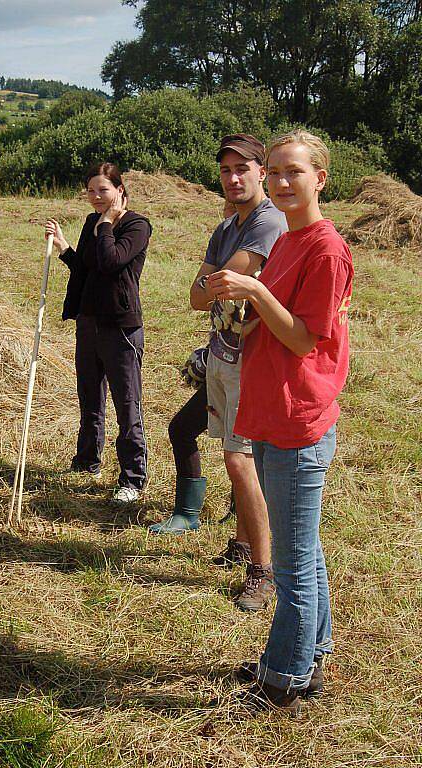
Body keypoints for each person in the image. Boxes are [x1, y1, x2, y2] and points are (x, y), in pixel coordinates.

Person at [208, 129, 354, 712]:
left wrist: (252, 290)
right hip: (270, 409)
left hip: (298, 418)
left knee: (292, 566)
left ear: (321, 178)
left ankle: (285, 680)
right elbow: (271, 322)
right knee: (306, 550)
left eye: (294, 171)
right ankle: (308, 650)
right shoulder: (290, 239)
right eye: (274, 171)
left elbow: (302, 336)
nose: (281, 181)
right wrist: (244, 315)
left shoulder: (325, 248)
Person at [150, 134, 287, 613]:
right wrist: (213, 284)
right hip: (223, 357)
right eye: (225, 170)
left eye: (241, 168)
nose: (232, 178)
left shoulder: (269, 223)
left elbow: (222, 281)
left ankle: (263, 572)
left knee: (240, 462)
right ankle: (242, 546)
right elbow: (197, 294)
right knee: (236, 457)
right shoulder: (227, 226)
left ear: (261, 171)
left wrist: (213, 283)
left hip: (255, 364)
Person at [45, 162, 152, 503]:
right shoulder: (92, 222)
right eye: (90, 191)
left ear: (120, 190)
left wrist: (106, 223)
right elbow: (87, 270)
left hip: (120, 326)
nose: (95, 197)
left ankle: (132, 478)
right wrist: (64, 247)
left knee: (126, 403)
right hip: (89, 322)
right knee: (90, 397)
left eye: (103, 190)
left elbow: (111, 261)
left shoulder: (136, 225)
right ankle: (87, 460)